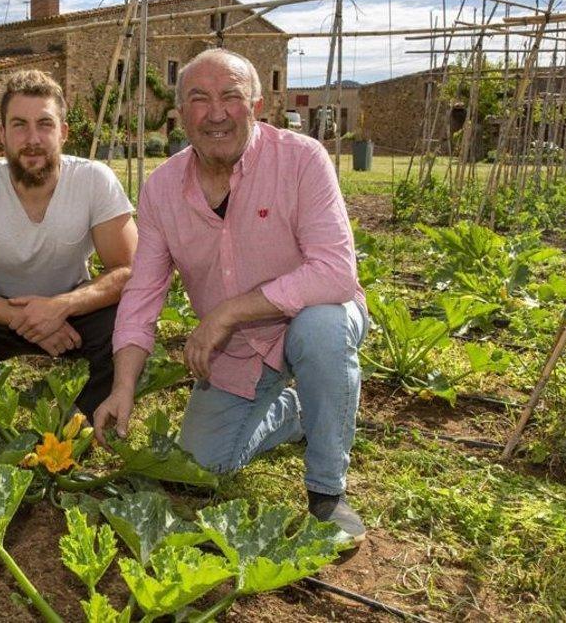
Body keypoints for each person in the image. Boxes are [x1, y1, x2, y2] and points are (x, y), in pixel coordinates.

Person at [92, 49, 369, 543]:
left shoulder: (302, 158)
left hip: (308, 319)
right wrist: (123, 387)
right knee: (201, 464)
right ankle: (299, 412)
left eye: (231, 97)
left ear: (257, 106)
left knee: (321, 326)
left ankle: (327, 491)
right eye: (199, 98)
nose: (216, 113)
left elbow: (335, 274)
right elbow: (142, 296)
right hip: (240, 349)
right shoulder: (162, 189)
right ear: (179, 114)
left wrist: (230, 311)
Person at [0, 69, 138, 433]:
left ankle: (80, 422)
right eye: (19, 125)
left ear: (63, 132)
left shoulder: (94, 180)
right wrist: (21, 317)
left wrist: (61, 307)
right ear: (2, 135)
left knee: (125, 324)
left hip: (71, 310)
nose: (33, 138)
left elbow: (129, 269)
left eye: (45, 124)